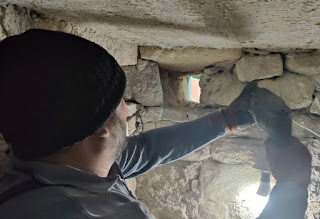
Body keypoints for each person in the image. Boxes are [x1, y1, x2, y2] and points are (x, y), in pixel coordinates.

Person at [0, 29, 311, 219]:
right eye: (119, 102)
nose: (126, 110)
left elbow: (144, 151)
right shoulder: (102, 214)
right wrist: (292, 185)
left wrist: (225, 120)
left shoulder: (47, 159)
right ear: (102, 130)